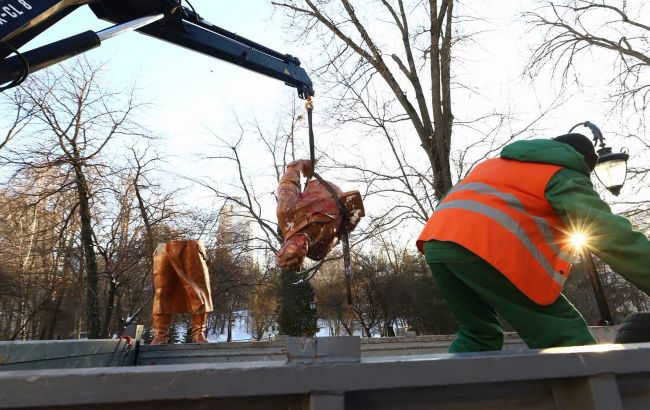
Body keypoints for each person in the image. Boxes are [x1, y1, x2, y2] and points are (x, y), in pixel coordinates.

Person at [416, 134, 650, 352]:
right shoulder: (560, 171)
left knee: (478, 333)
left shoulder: (495, 166)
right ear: (581, 162)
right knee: (564, 333)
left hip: (437, 243)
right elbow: (611, 236)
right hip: (484, 245)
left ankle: (437, 396)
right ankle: (598, 395)